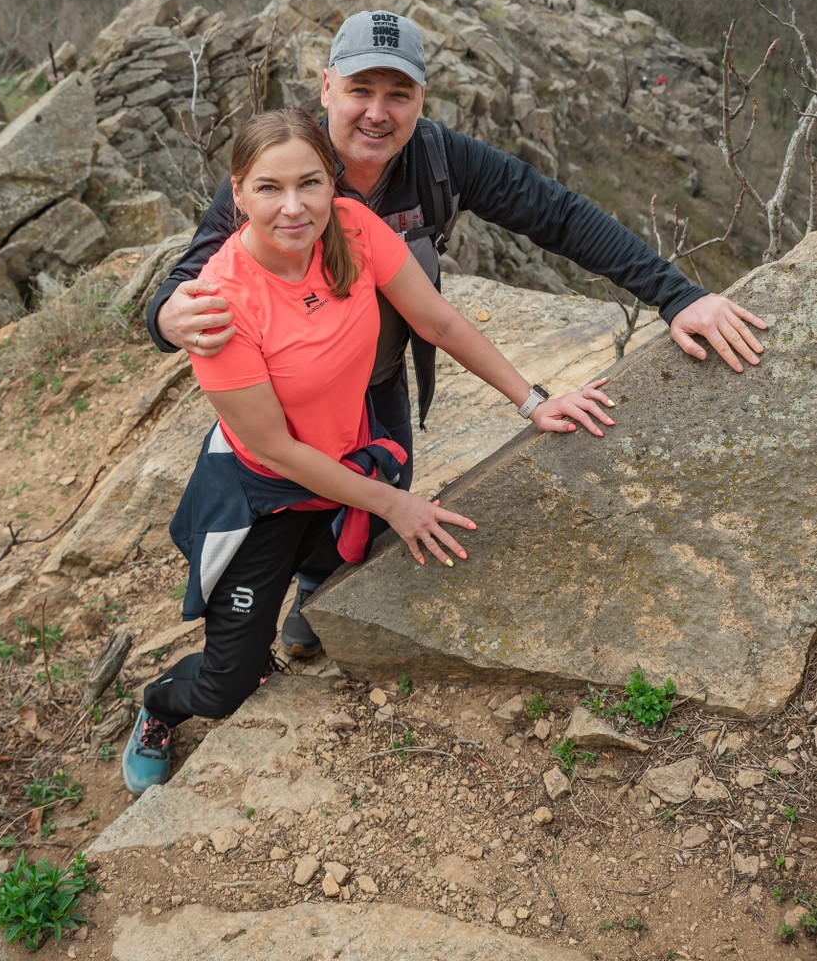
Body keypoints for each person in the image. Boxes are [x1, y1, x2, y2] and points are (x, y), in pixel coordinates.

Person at [146, 10, 767, 658]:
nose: (376, 113)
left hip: (378, 375)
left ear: (421, 98)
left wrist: (677, 297)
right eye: (360, 90)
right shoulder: (283, 171)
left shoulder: (440, 159)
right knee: (294, 499)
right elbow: (188, 285)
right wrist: (167, 316)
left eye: (398, 94)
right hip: (290, 385)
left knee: (380, 496)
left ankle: (320, 593)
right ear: (325, 86)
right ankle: (255, 623)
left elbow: (556, 215)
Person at [122, 108, 616, 796]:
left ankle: (298, 610)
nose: (293, 207)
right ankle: (158, 706)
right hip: (263, 494)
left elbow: (435, 319)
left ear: (333, 185)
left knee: (337, 573)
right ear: (236, 193)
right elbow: (275, 447)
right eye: (268, 188)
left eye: (310, 184)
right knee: (227, 682)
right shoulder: (221, 301)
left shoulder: (353, 229)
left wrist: (531, 401)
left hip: (349, 466)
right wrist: (397, 503)